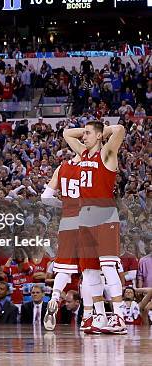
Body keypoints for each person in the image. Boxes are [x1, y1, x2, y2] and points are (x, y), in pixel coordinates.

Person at [63, 121, 126, 334]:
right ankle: (99, 316)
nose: (83, 137)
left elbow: (119, 130)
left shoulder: (107, 154)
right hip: (85, 218)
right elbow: (67, 133)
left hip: (105, 216)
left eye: (88, 134)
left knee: (108, 268)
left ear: (99, 136)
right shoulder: (83, 153)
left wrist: (101, 132)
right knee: (89, 271)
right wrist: (91, 132)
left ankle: (119, 316)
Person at [41, 154, 92, 330]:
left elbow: (46, 197)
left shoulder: (62, 167)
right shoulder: (92, 165)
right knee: (87, 272)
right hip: (88, 221)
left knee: (64, 267)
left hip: (67, 222)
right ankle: (87, 316)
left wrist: (63, 205)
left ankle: (54, 298)